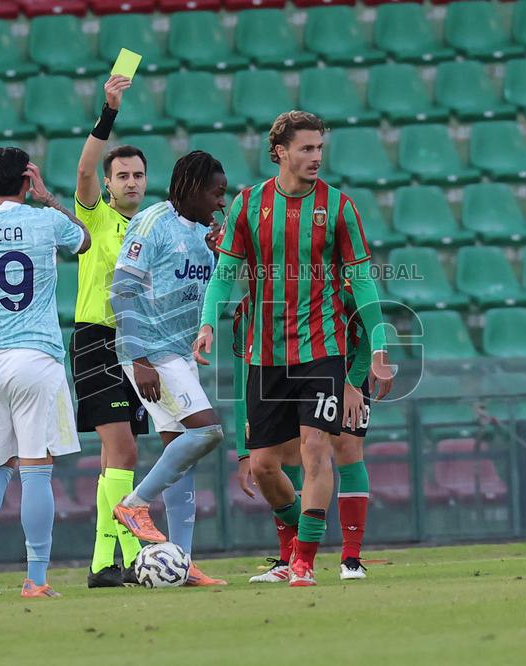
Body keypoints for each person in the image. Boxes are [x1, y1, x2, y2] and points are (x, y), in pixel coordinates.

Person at [194, 110, 394, 587]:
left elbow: (362, 282)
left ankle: (306, 558)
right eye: (306, 149)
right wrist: (207, 323)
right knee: (263, 465)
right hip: (265, 354)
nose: (316, 157)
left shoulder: (340, 207)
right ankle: (289, 552)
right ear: (280, 151)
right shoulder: (248, 205)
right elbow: (225, 274)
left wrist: (380, 349)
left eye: (319, 149)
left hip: (322, 348)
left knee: (316, 448)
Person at [0, 147, 91, 600]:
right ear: (28, 180)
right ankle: (37, 578)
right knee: (36, 471)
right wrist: (49, 199)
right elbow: (84, 240)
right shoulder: (45, 221)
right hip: (34, 358)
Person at [109, 151, 228, 586]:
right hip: (151, 353)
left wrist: (218, 258)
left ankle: (182, 562)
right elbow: (121, 291)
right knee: (208, 431)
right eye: (216, 193)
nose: (221, 202)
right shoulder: (152, 223)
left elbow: (219, 296)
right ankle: (134, 504)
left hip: (177, 352)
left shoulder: (205, 235)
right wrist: (139, 359)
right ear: (191, 188)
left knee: (183, 457)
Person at [234, 280, 374, 583]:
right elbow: (240, 375)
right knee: (285, 456)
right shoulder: (251, 305)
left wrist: (355, 379)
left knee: (346, 448)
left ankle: (351, 557)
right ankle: (290, 556)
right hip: (283, 377)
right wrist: (242, 446)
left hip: (343, 371)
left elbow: (371, 328)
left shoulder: (335, 283)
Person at [72, 74, 151, 588]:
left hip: (136, 345)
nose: (130, 182)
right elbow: (81, 169)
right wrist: (109, 111)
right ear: (108, 183)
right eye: (121, 175)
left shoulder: (151, 228)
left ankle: (106, 563)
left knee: (116, 457)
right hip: (97, 339)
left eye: (138, 175)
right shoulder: (96, 217)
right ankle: (127, 551)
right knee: (122, 452)